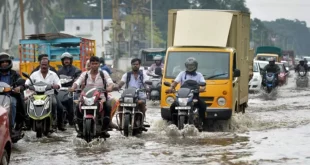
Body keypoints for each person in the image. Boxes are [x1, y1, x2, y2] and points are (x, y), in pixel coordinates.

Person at [69, 56, 114, 138]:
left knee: (108, 106)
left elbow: (110, 82)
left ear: (99, 64)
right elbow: (77, 81)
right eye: (92, 64)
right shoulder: (85, 74)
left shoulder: (103, 73)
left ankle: (104, 130)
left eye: (96, 63)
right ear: (90, 64)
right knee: (77, 108)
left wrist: (110, 87)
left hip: (101, 98)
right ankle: (81, 130)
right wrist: (73, 87)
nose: (94, 65)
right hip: (86, 98)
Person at [166, 57, 206, 131]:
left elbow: (203, 86)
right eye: (188, 65)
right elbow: (175, 82)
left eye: (192, 65)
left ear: (195, 66)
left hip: (194, 96)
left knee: (203, 105)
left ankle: (201, 122)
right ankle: (173, 123)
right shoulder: (182, 73)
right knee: (172, 106)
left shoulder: (199, 75)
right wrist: (171, 88)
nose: (190, 67)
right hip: (183, 96)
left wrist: (200, 89)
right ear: (186, 66)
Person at [25, 58, 66, 131]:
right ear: (40, 64)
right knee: (26, 103)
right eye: (42, 64)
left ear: (48, 65)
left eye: (45, 65)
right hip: (36, 95)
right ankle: (27, 123)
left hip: (50, 94)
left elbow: (58, 83)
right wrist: (27, 85)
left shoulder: (53, 74)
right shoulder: (34, 74)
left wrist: (57, 86)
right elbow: (27, 82)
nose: (44, 66)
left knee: (56, 105)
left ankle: (57, 123)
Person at [115, 58, 149, 131]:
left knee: (142, 103)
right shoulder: (127, 75)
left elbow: (146, 82)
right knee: (120, 104)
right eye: (133, 64)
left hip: (140, 95)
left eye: (137, 64)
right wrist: (117, 86)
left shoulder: (143, 75)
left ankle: (141, 122)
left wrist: (147, 87)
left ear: (139, 65)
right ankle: (121, 123)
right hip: (128, 94)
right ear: (131, 65)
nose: (135, 66)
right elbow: (121, 82)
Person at [0, 52, 26, 136]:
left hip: (11, 96)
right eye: (2, 62)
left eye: (6, 62)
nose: (4, 64)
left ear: (9, 62)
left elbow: (22, 84)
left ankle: (11, 126)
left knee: (12, 103)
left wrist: (19, 88)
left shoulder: (14, 74)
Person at [57, 52, 81, 125]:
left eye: (68, 59)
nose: (66, 61)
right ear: (62, 61)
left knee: (73, 101)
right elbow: (56, 80)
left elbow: (79, 79)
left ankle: (73, 118)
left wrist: (74, 85)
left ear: (71, 60)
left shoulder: (76, 70)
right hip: (61, 90)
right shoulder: (59, 71)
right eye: (65, 60)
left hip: (72, 90)